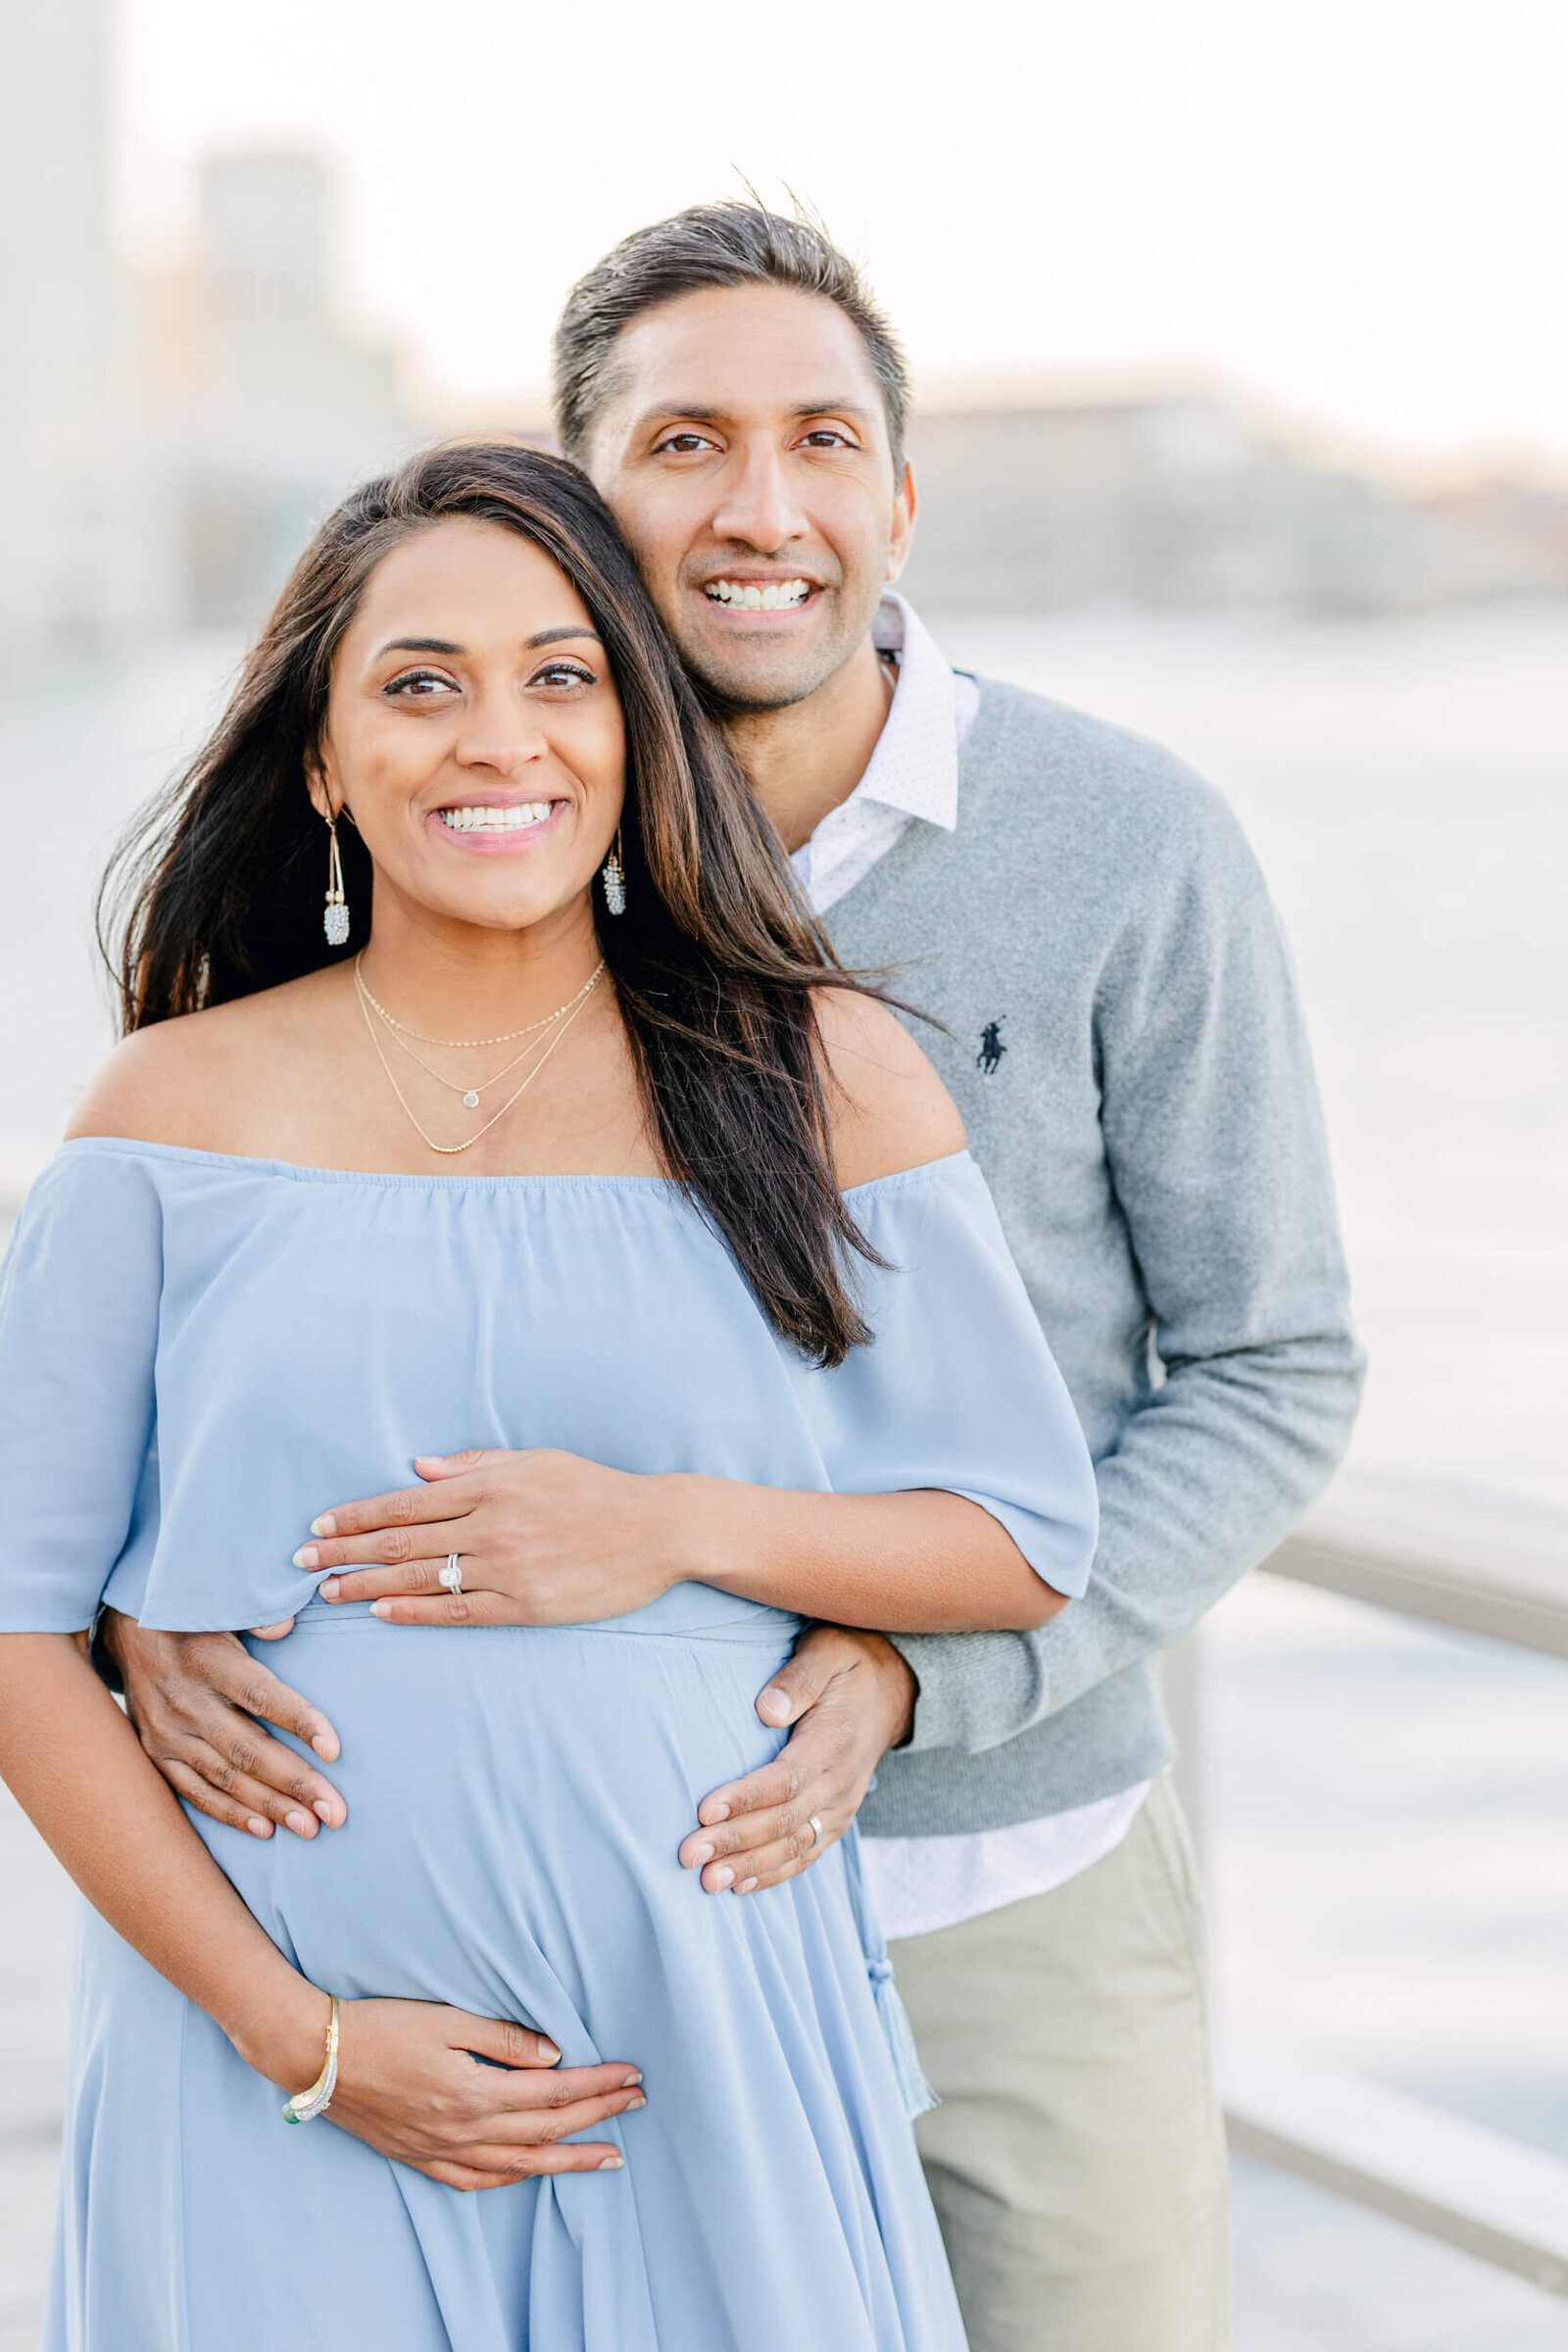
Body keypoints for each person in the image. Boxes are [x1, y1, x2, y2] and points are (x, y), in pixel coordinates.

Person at [102, 207, 1365, 2350]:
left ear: (897, 496)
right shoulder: (470, 835)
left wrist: (908, 1674)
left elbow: (1269, 1367)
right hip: (563, 1924)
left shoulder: (1122, 840)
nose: (755, 508)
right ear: (578, 494)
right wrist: (155, 1582)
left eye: (818, 442)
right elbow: (254, 1295)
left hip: (1005, 1886)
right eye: (680, 442)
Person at [0, 442, 1102, 2351]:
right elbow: (16, 1627)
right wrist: (307, 2043)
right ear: (325, 760)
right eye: (418, 684)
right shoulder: (166, 1115)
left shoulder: (814, 1073)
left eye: (562, 674)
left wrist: (669, 1527)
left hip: (694, 2043)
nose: (493, 738)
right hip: (270, 2075)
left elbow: (1019, 1537)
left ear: (639, 732)